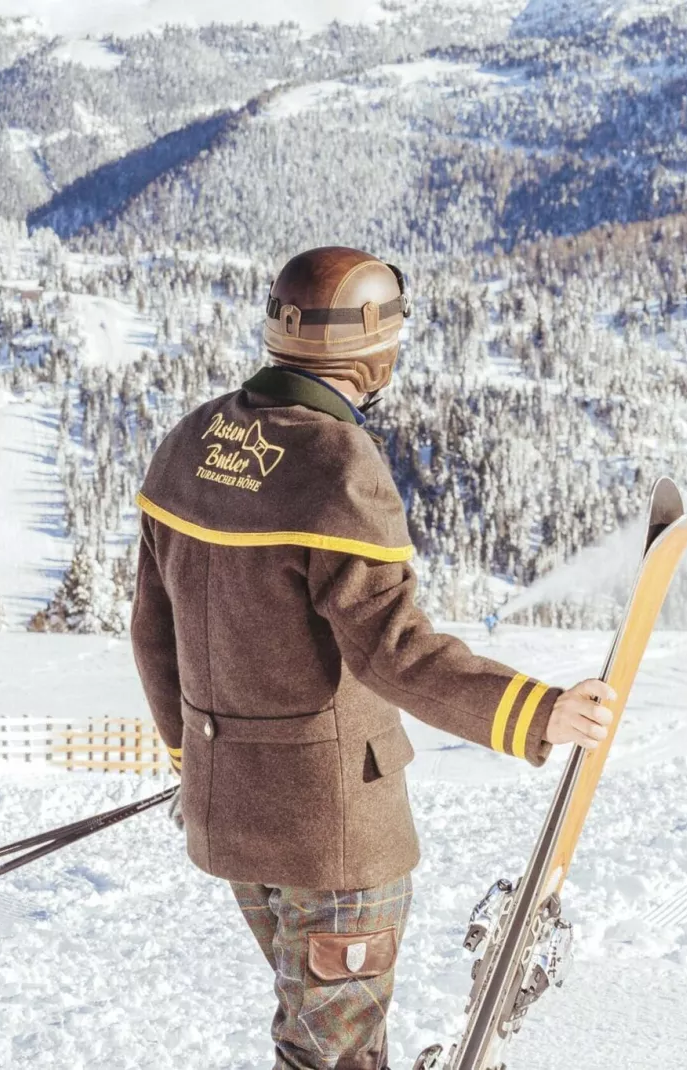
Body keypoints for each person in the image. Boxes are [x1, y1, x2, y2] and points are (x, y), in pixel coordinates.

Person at [129, 246, 614, 1070]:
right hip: (334, 835)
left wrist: (195, 765)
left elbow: (151, 630)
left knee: (318, 1038)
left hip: (235, 824)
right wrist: (536, 710)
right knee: (332, 1058)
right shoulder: (336, 462)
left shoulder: (190, 440)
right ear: (372, 350)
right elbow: (393, 649)